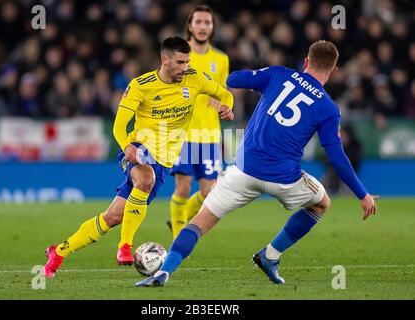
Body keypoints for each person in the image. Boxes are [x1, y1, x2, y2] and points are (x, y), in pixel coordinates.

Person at [136, 40, 378, 287]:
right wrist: (363, 194)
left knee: (198, 223)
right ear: (334, 71)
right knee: (321, 203)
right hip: (284, 180)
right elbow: (336, 156)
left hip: (242, 172)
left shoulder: (278, 74)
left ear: (306, 61)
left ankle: (163, 272)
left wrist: (252, 79)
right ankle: (270, 255)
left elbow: (234, 79)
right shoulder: (328, 108)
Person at [42, 36, 234, 277]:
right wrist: (126, 146)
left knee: (112, 217)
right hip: (139, 149)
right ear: (164, 60)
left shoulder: (194, 78)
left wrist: (226, 106)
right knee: (145, 178)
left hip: (164, 161)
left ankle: (59, 252)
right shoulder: (140, 86)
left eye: (187, 62)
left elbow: (224, 93)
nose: (185, 68)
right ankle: (125, 246)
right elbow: (118, 126)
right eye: (180, 62)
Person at [168, 5, 231, 239]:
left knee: (209, 193)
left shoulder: (221, 59)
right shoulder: (180, 56)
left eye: (207, 22)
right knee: (182, 187)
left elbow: (223, 92)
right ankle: (177, 237)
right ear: (190, 26)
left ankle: (181, 217)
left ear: (212, 27)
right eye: (199, 22)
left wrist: (223, 102)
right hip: (183, 133)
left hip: (210, 135)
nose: (203, 27)